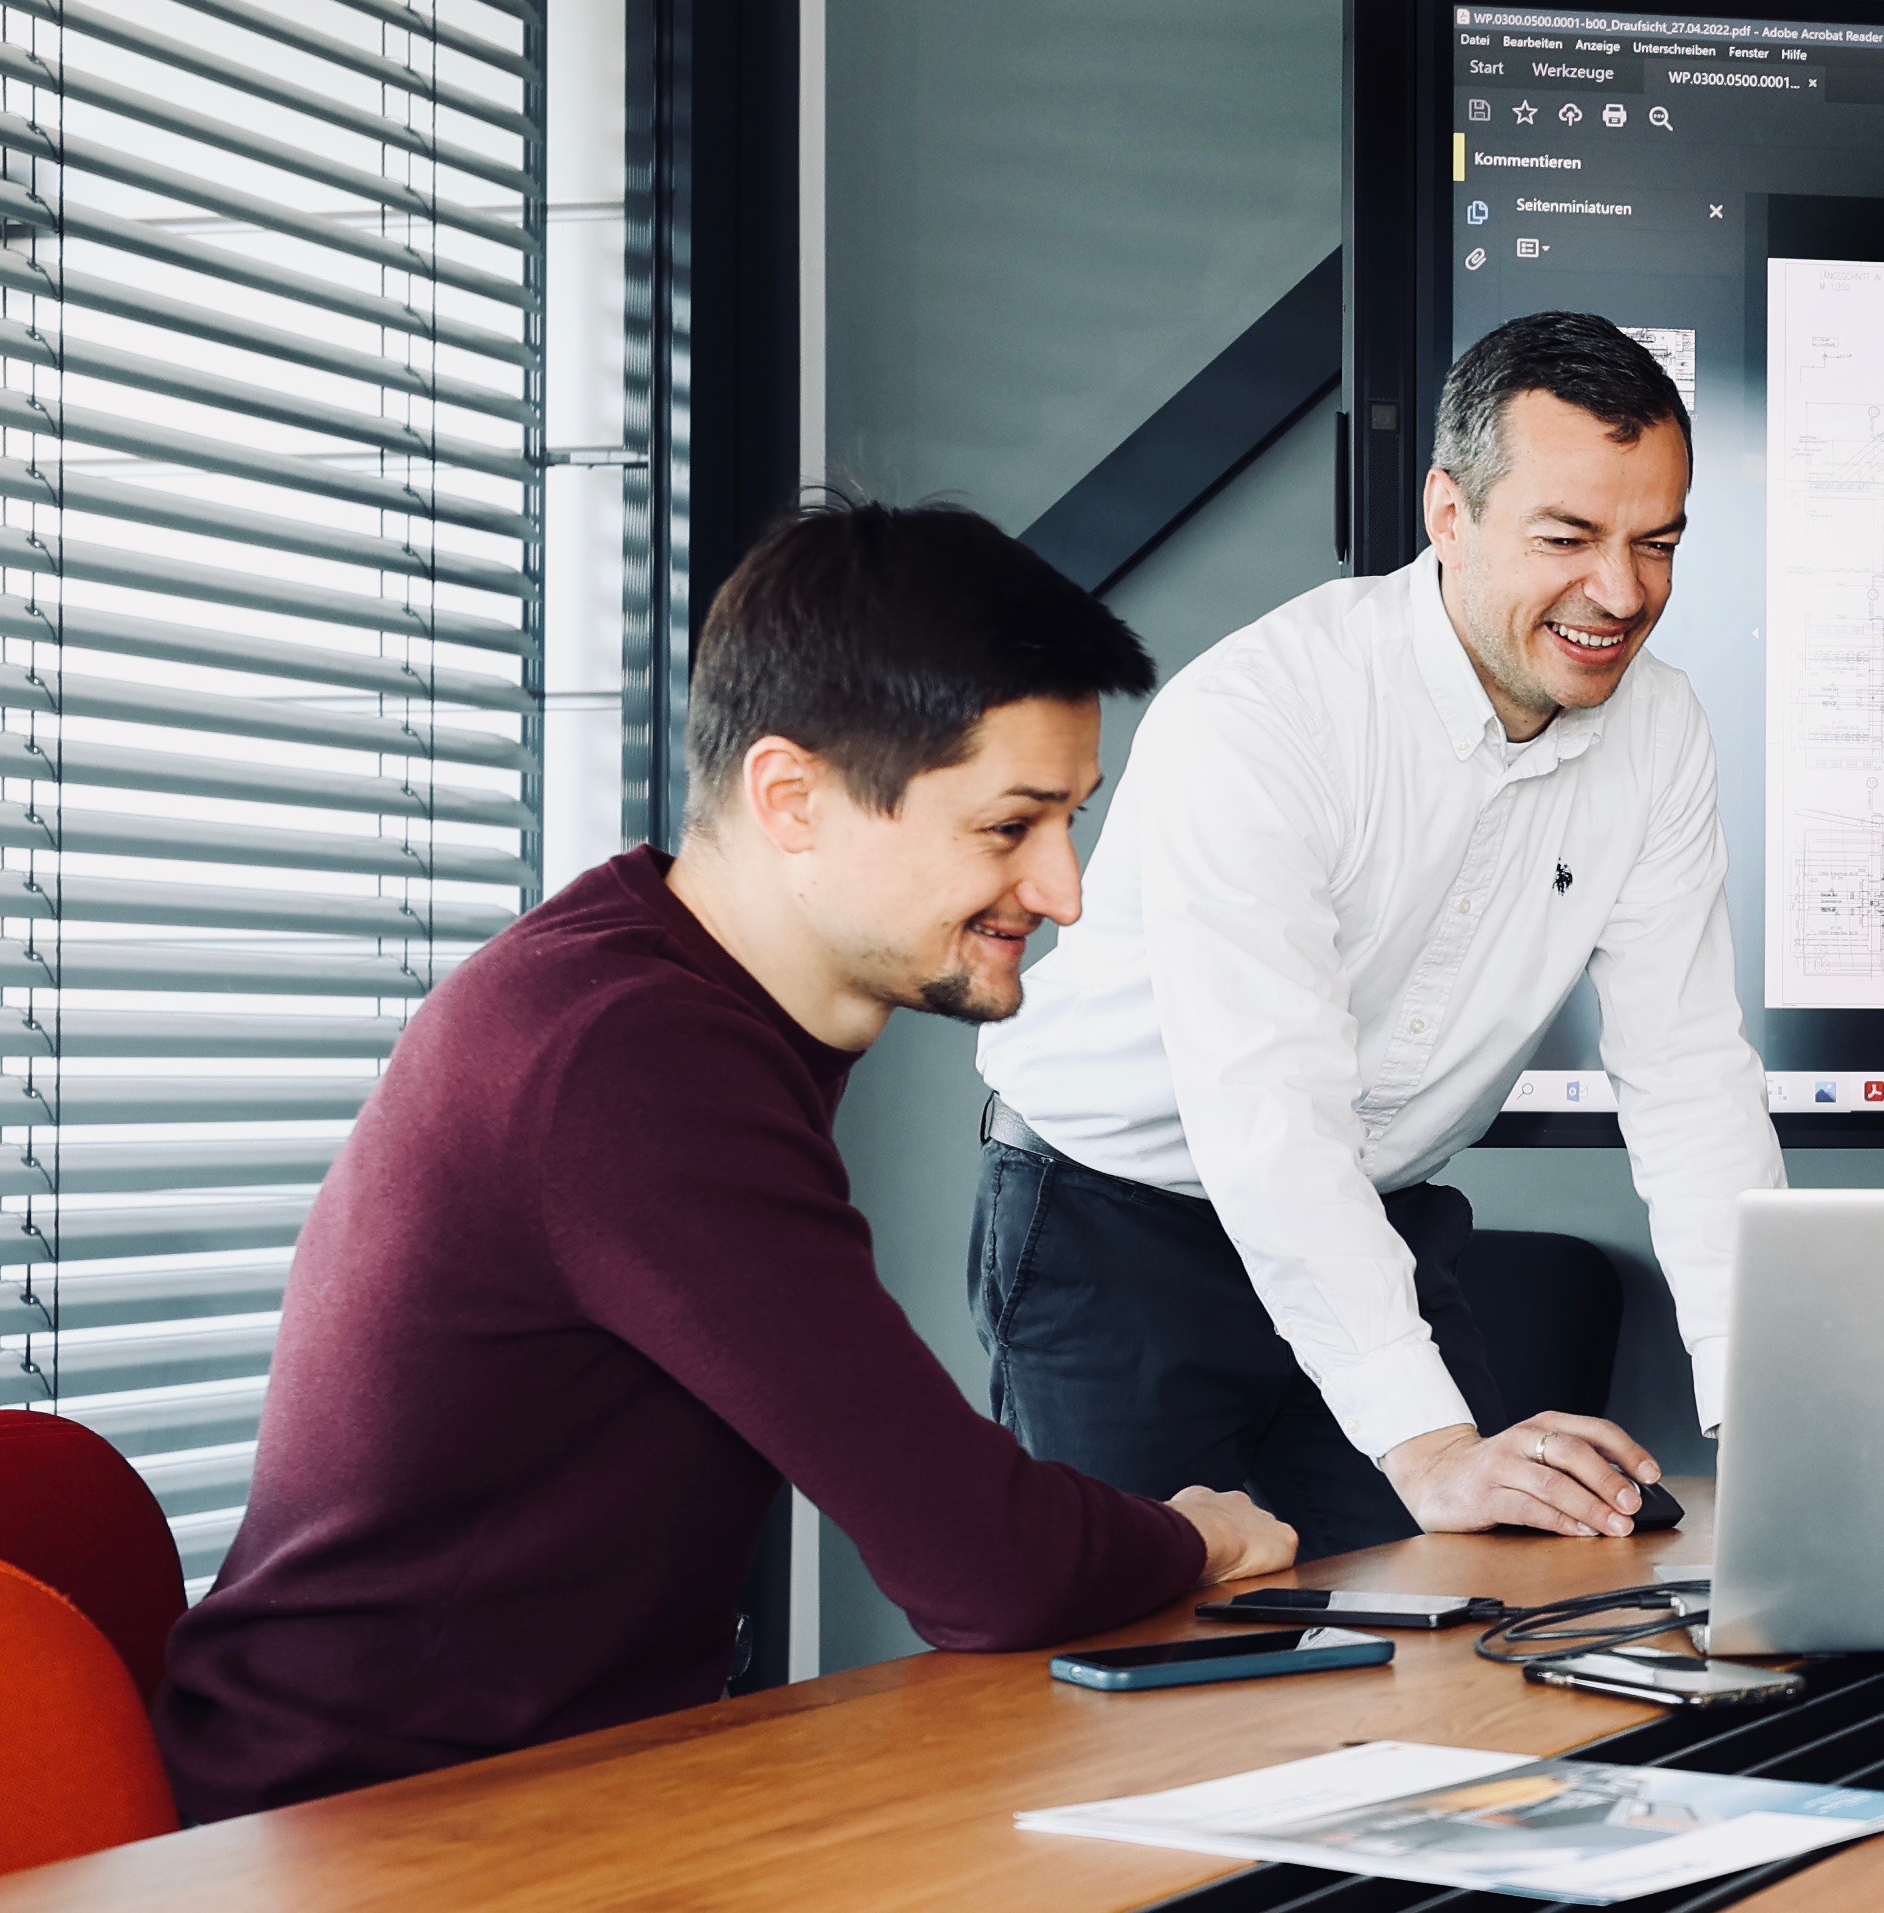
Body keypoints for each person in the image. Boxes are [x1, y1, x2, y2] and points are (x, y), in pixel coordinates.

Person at [156, 501, 1298, 1823]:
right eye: (1008, 827)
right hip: (355, 1836)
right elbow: (985, 1559)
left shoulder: (653, 985)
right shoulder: (628, 1059)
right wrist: (1199, 1530)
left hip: (558, 1796)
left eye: (1069, 822)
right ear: (790, 797)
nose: (1063, 891)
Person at [971, 313, 1776, 1557]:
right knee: (1137, 1646)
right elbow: (1269, 1110)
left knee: (1473, 1606)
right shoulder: (1264, 714)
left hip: (1378, 1215)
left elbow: (1687, 1077)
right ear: (1448, 512)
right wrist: (1429, 1445)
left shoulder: (1659, 730)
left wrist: (1766, 1410)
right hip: (1115, 1229)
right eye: (1566, 538)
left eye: (1655, 542)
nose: (1621, 593)